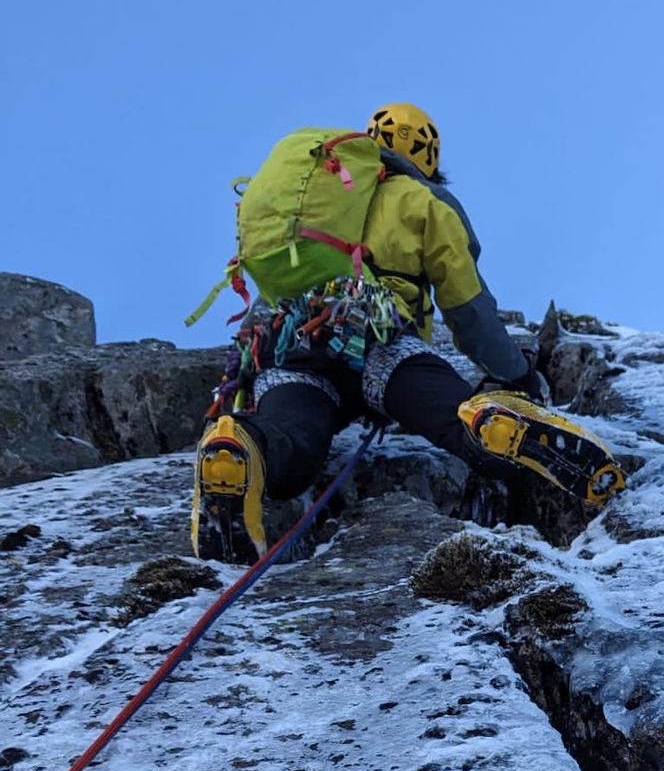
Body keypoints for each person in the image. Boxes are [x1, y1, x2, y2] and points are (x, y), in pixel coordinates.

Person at [191, 103, 622, 563]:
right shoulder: (423, 201)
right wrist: (517, 374)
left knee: (293, 445)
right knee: (457, 422)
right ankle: (492, 418)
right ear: (429, 159)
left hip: (294, 344)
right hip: (379, 339)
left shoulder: (320, 197)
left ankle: (243, 447)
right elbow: (468, 309)